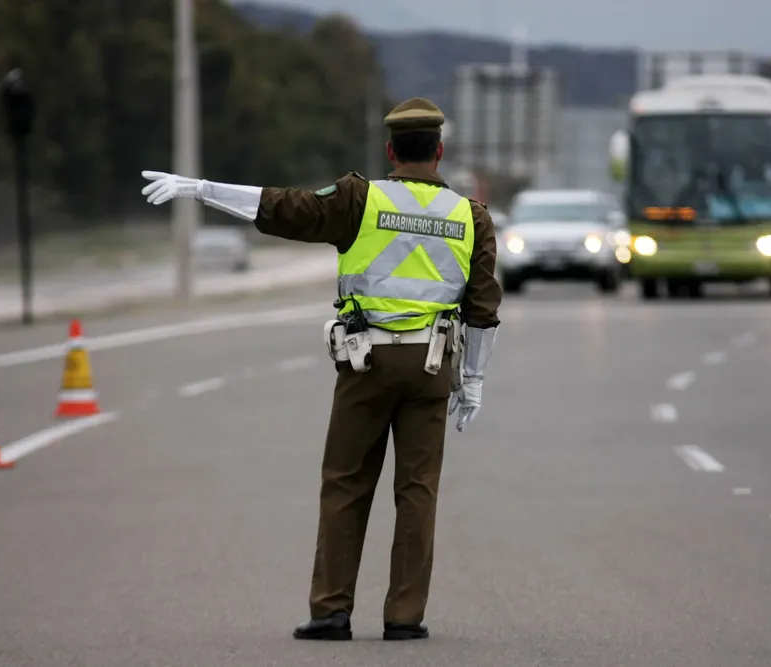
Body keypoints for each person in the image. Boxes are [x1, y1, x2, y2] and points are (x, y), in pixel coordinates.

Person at [140, 97, 502, 641]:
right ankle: (405, 618)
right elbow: (482, 309)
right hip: (432, 366)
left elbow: (286, 207)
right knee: (417, 492)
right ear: (439, 151)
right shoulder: (470, 216)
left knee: (346, 483)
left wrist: (201, 188)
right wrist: (471, 380)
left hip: (367, 365)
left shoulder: (360, 199)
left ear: (390, 150)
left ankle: (332, 610)